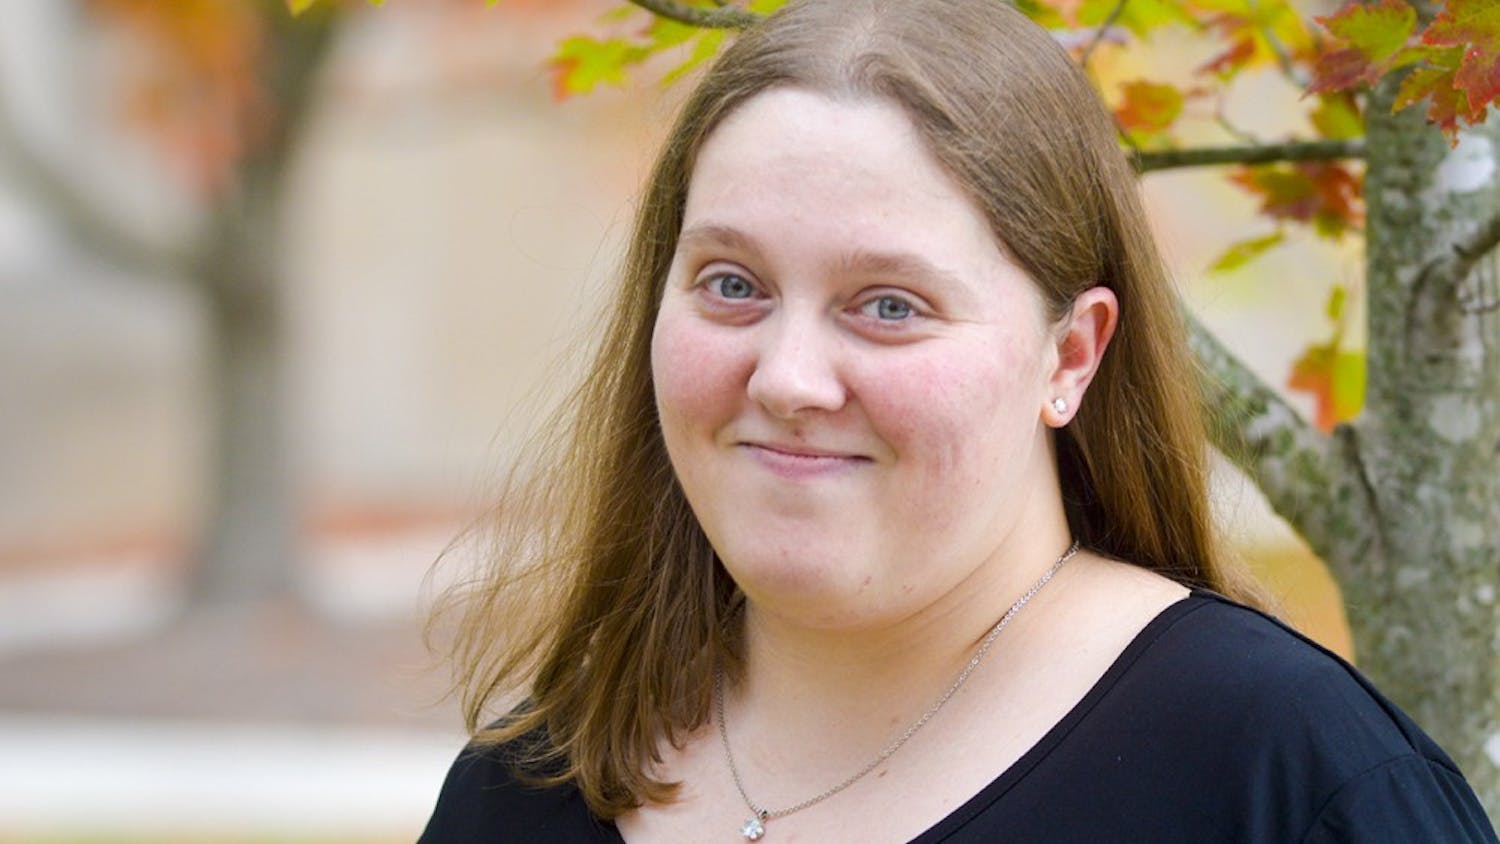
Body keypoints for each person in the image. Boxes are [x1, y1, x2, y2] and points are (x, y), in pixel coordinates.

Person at [418, 0, 1498, 841]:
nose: (789, 377)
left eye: (889, 305)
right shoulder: (527, 792)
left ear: (1069, 353)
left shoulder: (1287, 778)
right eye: (733, 284)